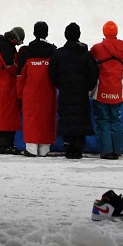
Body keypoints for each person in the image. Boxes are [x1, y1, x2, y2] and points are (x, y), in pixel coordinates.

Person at [48, 23, 98, 161]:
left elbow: (52, 73)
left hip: (65, 93)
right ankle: (79, 147)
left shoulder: (58, 54)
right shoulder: (87, 55)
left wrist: (61, 85)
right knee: (80, 119)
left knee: (67, 119)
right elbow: (94, 73)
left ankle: (69, 146)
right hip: (81, 94)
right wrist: (87, 87)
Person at [16, 22, 58, 157]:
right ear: (47, 33)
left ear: (34, 33)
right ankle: (44, 148)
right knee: (47, 117)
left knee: (31, 118)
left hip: (30, 92)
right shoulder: (53, 51)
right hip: (49, 92)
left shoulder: (25, 52)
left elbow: (20, 75)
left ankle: (31, 147)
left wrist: (19, 93)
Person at [90, 21, 123, 160]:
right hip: (117, 90)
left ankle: (106, 151)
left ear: (104, 32)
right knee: (116, 120)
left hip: (101, 90)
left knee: (103, 120)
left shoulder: (97, 49)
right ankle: (118, 150)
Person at [0, 27, 24, 154]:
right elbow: (11, 67)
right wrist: (21, 69)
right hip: (4, 88)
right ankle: (5, 146)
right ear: (15, 39)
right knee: (8, 118)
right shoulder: (6, 47)